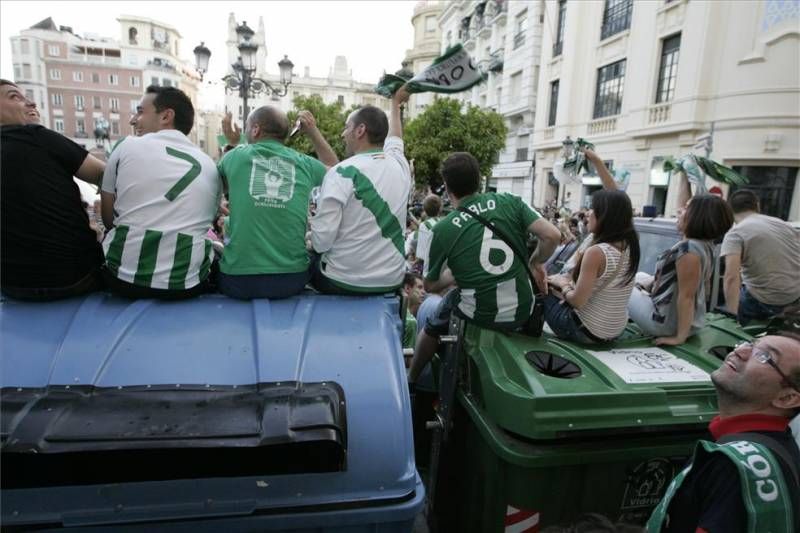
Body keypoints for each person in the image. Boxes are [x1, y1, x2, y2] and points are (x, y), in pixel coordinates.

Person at [408, 152, 561, 383]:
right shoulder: (510, 201)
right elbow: (552, 235)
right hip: (523, 309)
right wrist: (535, 262)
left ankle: (412, 378)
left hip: (480, 313)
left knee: (432, 325)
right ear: (479, 180)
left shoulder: (443, 228)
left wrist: (453, 276)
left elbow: (430, 285)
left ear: (447, 188)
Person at [647, 332, 800, 532]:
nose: (740, 351)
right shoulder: (766, 448)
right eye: (751, 344)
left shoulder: (734, 466)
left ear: (787, 398)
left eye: (765, 357)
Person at [100, 85, 221, 299]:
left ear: (166, 116)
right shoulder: (210, 166)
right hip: (186, 284)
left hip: (121, 278)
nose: (133, 120)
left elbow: (108, 219)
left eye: (140, 112)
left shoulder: (125, 146)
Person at [215, 106, 337, 299]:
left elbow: (218, 188)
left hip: (237, 282)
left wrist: (231, 143)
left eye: (247, 127)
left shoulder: (236, 156)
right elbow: (338, 173)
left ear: (255, 130)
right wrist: (313, 132)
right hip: (291, 280)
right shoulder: (305, 163)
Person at [1, 79, 106, 301]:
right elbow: (104, 175)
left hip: (13, 285)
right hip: (76, 278)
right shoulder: (36, 136)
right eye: (15, 97)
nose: (31, 103)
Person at [309, 87, 412, 295]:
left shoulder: (340, 172)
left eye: (347, 127)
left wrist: (311, 237)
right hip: (392, 280)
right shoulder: (400, 164)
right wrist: (395, 103)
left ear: (360, 130)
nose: (343, 134)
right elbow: (395, 139)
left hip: (341, 281)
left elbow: (322, 243)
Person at [628, 172, 734, 345]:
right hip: (677, 319)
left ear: (697, 217)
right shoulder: (704, 245)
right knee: (639, 276)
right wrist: (684, 176)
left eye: (686, 209)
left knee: (617, 285)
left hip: (664, 323)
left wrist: (679, 337)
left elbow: (687, 297)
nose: (680, 211)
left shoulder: (688, 251)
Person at [545, 190, 640, 343]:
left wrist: (562, 284)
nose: (588, 213)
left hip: (585, 332)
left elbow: (577, 301)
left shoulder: (596, 252)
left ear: (607, 216)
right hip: (615, 330)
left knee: (541, 285)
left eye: (593, 209)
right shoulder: (630, 245)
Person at [721, 189, 800, 325]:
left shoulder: (735, 234)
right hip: (794, 298)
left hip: (762, 300)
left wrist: (731, 316)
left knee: (730, 316)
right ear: (757, 205)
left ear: (730, 210)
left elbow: (731, 278)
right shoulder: (783, 224)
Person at [414, 194, 443, 271]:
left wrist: (415, 263)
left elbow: (421, 253)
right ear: (440, 209)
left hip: (430, 266)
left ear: (424, 210)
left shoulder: (424, 225)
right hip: (443, 264)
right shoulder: (444, 222)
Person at [402, 272, 425, 352]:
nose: (423, 292)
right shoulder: (411, 322)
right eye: (419, 287)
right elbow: (408, 360)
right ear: (407, 288)